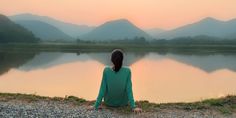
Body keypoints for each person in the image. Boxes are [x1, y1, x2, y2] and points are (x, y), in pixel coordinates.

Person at [89, 49, 142, 113]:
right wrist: (133, 107)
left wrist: (95, 106)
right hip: (123, 103)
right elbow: (129, 90)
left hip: (109, 103)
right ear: (122, 60)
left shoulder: (106, 70)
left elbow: (102, 89)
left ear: (111, 60)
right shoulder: (127, 71)